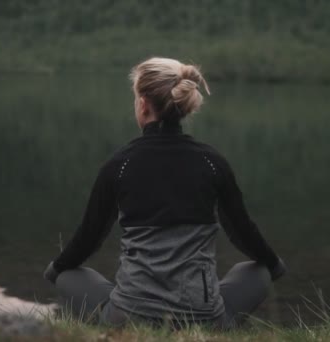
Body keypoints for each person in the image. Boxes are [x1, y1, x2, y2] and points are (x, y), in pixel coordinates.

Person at [43, 57, 286, 329]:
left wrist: (55, 269)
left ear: (144, 104)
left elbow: (89, 237)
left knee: (69, 277)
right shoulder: (211, 162)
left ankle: (114, 321)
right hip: (204, 320)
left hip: (128, 318)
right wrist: (274, 265)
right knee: (256, 271)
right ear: (182, 106)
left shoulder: (119, 165)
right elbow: (241, 232)